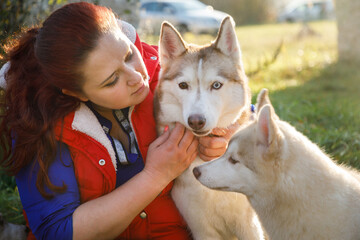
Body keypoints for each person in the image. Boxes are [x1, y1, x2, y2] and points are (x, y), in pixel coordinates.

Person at [0, 2, 238, 240]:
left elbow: (241, 105)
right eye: (112, 80)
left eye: (128, 55)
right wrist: (156, 176)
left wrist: (227, 134)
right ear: (77, 93)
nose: (137, 77)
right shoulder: (37, 123)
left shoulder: (167, 70)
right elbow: (58, 232)